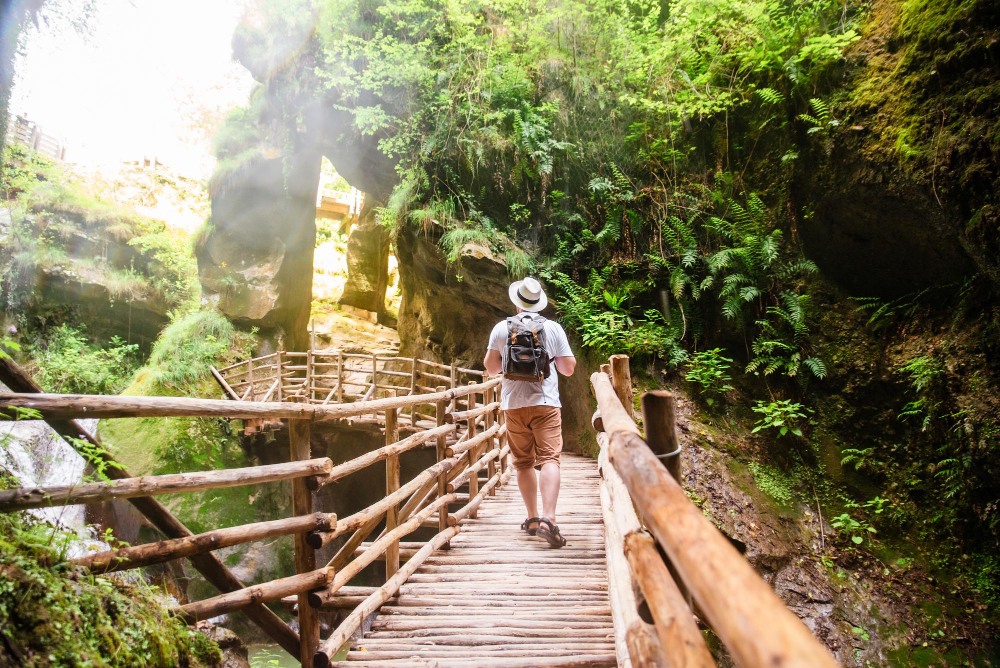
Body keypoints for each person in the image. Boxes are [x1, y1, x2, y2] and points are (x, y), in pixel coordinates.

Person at [483, 277, 576, 548]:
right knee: (549, 459)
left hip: (513, 406)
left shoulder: (501, 328)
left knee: (523, 462)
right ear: (539, 302)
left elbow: (491, 368)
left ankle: (532, 518)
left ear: (517, 302)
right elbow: (568, 368)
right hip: (546, 403)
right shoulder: (553, 328)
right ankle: (550, 519)